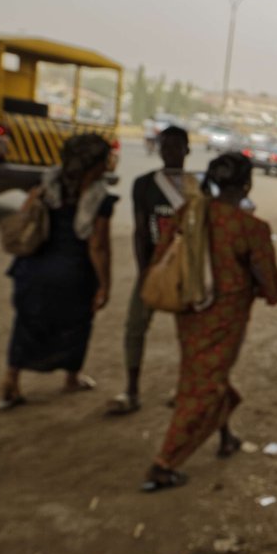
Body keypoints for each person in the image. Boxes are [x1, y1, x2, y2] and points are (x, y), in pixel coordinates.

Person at [143, 153, 277, 491]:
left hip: (189, 313)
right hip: (225, 318)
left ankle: (225, 437)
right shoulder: (251, 228)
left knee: (201, 373)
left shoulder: (189, 214)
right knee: (205, 384)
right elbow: (269, 281)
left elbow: (161, 253)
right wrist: (267, 291)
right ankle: (164, 463)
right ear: (247, 183)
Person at [0, 134, 117, 410]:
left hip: (33, 268)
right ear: (94, 164)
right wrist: (104, 285)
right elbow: (98, 246)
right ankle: (71, 378)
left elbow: (25, 216)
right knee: (75, 327)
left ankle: (11, 380)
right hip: (73, 275)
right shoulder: (99, 198)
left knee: (27, 324)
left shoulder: (45, 185)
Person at [107, 126, 192, 415]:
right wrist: (144, 269)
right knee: (135, 326)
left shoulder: (197, 186)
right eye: (166, 146)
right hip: (154, 266)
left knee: (189, 332)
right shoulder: (144, 185)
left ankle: (183, 387)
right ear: (158, 149)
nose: (170, 152)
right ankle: (131, 389)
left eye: (176, 146)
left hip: (186, 269)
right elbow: (140, 230)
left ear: (187, 149)